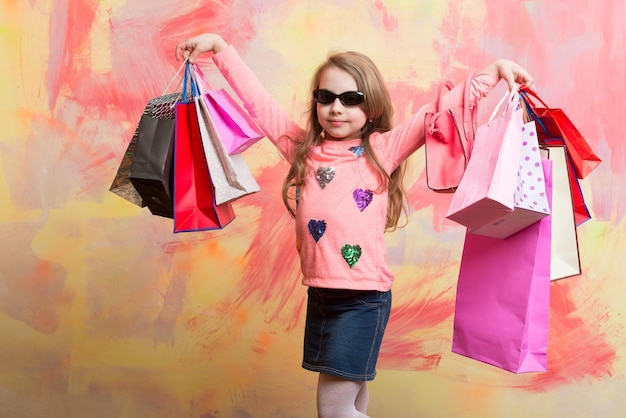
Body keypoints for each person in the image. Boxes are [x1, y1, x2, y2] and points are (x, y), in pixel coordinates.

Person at [176, 33, 534, 418]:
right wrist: (219, 50)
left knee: (334, 410)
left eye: (351, 99)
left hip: (362, 299)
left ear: (372, 107)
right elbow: (259, 104)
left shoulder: (382, 150)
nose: (335, 108)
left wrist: (493, 74)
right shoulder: (303, 151)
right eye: (325, 97)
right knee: (353, 401)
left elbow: (436, 110)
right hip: (322, 296)